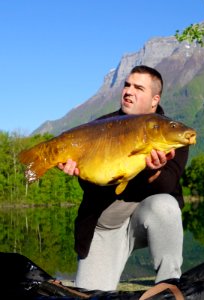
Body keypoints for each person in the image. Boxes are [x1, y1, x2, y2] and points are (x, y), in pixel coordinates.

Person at [58, 65, 189, 291]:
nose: (129, 91)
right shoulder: (100, 128)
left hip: (149, 216)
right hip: (106, 223)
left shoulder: (171, 132)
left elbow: (168, 184)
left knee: (165, 205)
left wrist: (153, 170)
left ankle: (168, 285)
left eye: (138, 87)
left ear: (153, 100)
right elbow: (90, 189)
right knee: (90, 294)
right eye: (127, 85)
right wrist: (81, 171)